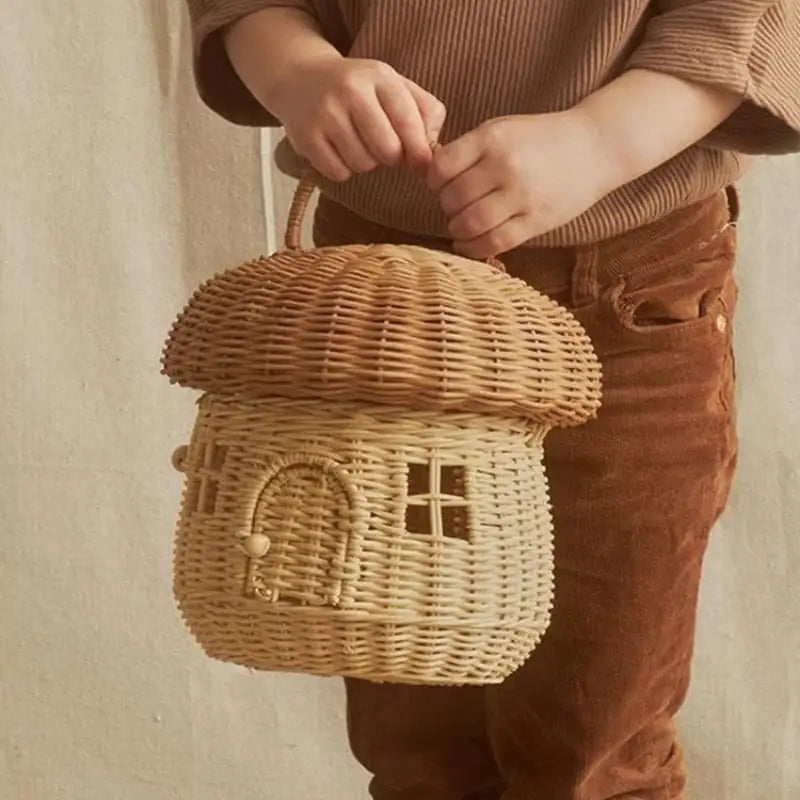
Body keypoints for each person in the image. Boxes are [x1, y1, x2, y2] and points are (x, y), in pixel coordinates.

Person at [183, 3, 800, 798]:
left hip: (628, 276)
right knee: (416, 730)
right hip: (380, 284)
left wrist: (600, 139)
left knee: (595, 738)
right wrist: (297, 69)